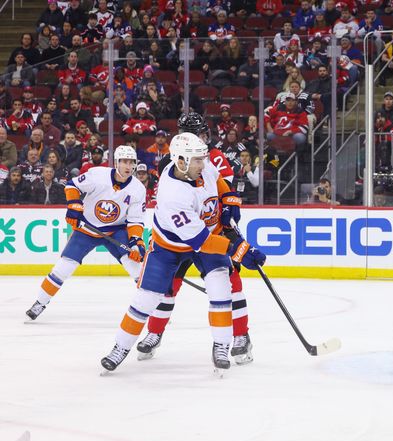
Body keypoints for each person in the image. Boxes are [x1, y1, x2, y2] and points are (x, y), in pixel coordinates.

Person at [98, 132, 266, 374]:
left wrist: (229, 201)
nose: (202, 163)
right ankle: (120, 347)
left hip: (206, 234)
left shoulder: (198, 166)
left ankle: (221, 344)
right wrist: (239, 251)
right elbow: (202, 241)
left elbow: (219, 182)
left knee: (221, 286)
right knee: (146, 298)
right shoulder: (173, 195)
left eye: (202, 158)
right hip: (170, 247)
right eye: (197, 160)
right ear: (180, 161)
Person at [136, 112, 256, 365]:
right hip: (182, 236)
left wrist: (229, 207)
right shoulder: (171, 162)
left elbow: (225, 191)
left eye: (201, 133)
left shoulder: (215, 159)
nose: (200, 138)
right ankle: (154, 332)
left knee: (231, 282)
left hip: (214, 232)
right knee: (168, 287)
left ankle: (241, 335)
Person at [25, 146, 146, 321]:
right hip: (87, 228)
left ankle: (153, 309)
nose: (128, 166)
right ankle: (40, 303)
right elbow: (73, 185)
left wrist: (136, 242)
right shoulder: (98, 174)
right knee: (63, 268)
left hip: (116, 231)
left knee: (136, 269)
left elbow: (135, 220)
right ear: (116, 162)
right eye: (124, 161)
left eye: (131, 162)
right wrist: (74, 205)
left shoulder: (138, 189)